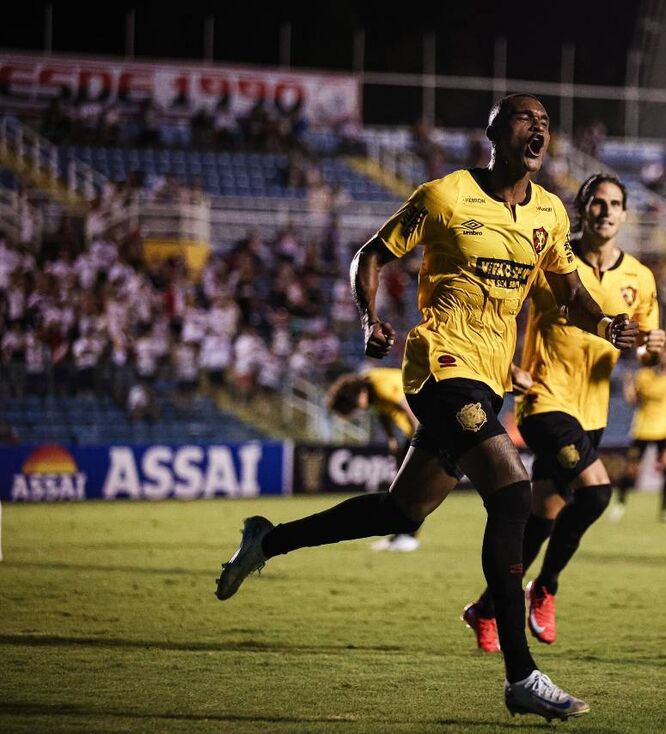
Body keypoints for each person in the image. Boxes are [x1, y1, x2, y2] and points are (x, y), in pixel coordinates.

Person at [214, 93, 639, 721]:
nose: (540, 127)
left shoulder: (549, 211)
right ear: (494, 131)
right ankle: (521, 676)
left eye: (545, 122)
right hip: (439, 367)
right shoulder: (444, 197)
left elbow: (569, 288)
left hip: (489, 379)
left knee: (400, 510)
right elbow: (371, 255)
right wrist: (370, 319)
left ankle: (267, 541)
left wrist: (604, 323)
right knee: (515, 493)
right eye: (526, 118)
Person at [462, 174, 663, 652]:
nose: (607, 211)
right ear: (582, 208)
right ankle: (546, 587)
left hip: (593, 412)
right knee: (597, 493)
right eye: (598, 203)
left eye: (616, 204)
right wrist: (506, 367)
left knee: (542, 519)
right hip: (544, 402)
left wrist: (653, 347)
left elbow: (646, 349)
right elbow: (492, 311)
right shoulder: (551, 260)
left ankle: (485, 609)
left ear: (626, 215)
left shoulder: (640, 277)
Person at [327, 367, 422, 552]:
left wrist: (420, 441)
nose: (358, 409)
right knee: (401, 486)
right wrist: (391, 438)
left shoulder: (382, 385)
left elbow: (411, 408)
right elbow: (382, 413)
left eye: (354, 406)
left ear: (359, 394)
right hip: (411, 434)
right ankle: (399, 535)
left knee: (414, 487)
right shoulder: (370, 389)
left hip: (421, 430)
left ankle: (409, 537)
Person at [611, 346, 666, 523]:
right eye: (665, 357)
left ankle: (665, 510)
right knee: (631, 471)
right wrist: (627, 384)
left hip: (664, 431)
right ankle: (620, 504)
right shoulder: (644, 376)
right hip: (642, 429)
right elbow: (633, 402)